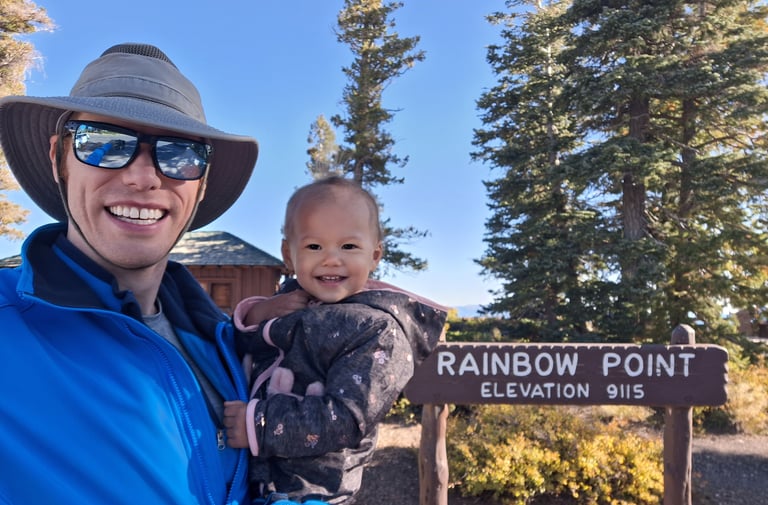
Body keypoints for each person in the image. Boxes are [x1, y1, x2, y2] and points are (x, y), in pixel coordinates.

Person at [0, 43, 260, 504]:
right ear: (59, 157)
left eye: (180, 153)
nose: (144, 177)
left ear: (200, 185)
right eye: (103, 143)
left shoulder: (228, 346)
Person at [223, 177, 448, 504]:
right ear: (289, 254)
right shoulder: (289, 303)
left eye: (348, 246)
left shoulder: (376, 329)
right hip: (254, 483)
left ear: (374, 256)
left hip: (313, 493)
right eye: (314, 246)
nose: (331, 259)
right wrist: (259, 314)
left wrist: (256, 424)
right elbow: (237, 350)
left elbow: (346, 418)